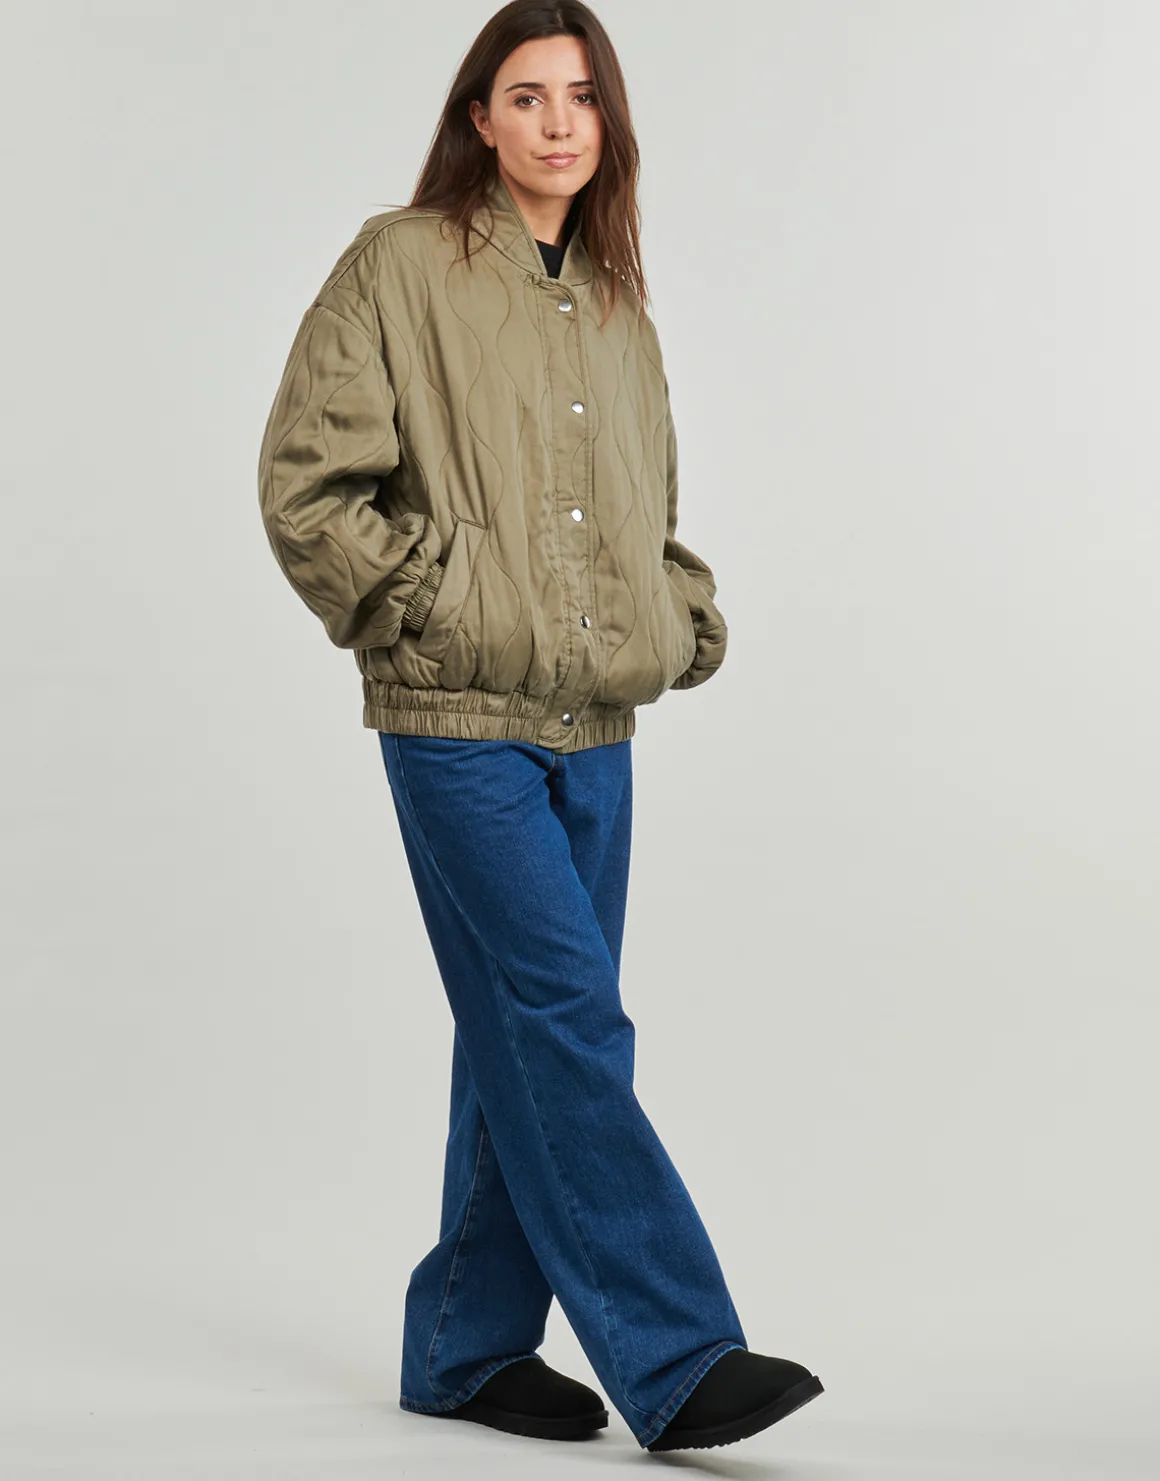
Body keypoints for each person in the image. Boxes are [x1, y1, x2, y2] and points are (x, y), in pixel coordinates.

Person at [256, 0, 823, 1454]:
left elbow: (647, 507)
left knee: (520, 1031)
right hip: (458, 718)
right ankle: (679, 1356)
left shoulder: (620, 304)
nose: (559, 121)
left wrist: (674, 613)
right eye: (527, 94)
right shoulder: (400, 263)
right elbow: (308, 482)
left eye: (581, 95)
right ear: (480, 119)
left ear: (606, 121)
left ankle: (461, 1350)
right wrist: (423, 605)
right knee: (570, 1017)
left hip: (597, 728)